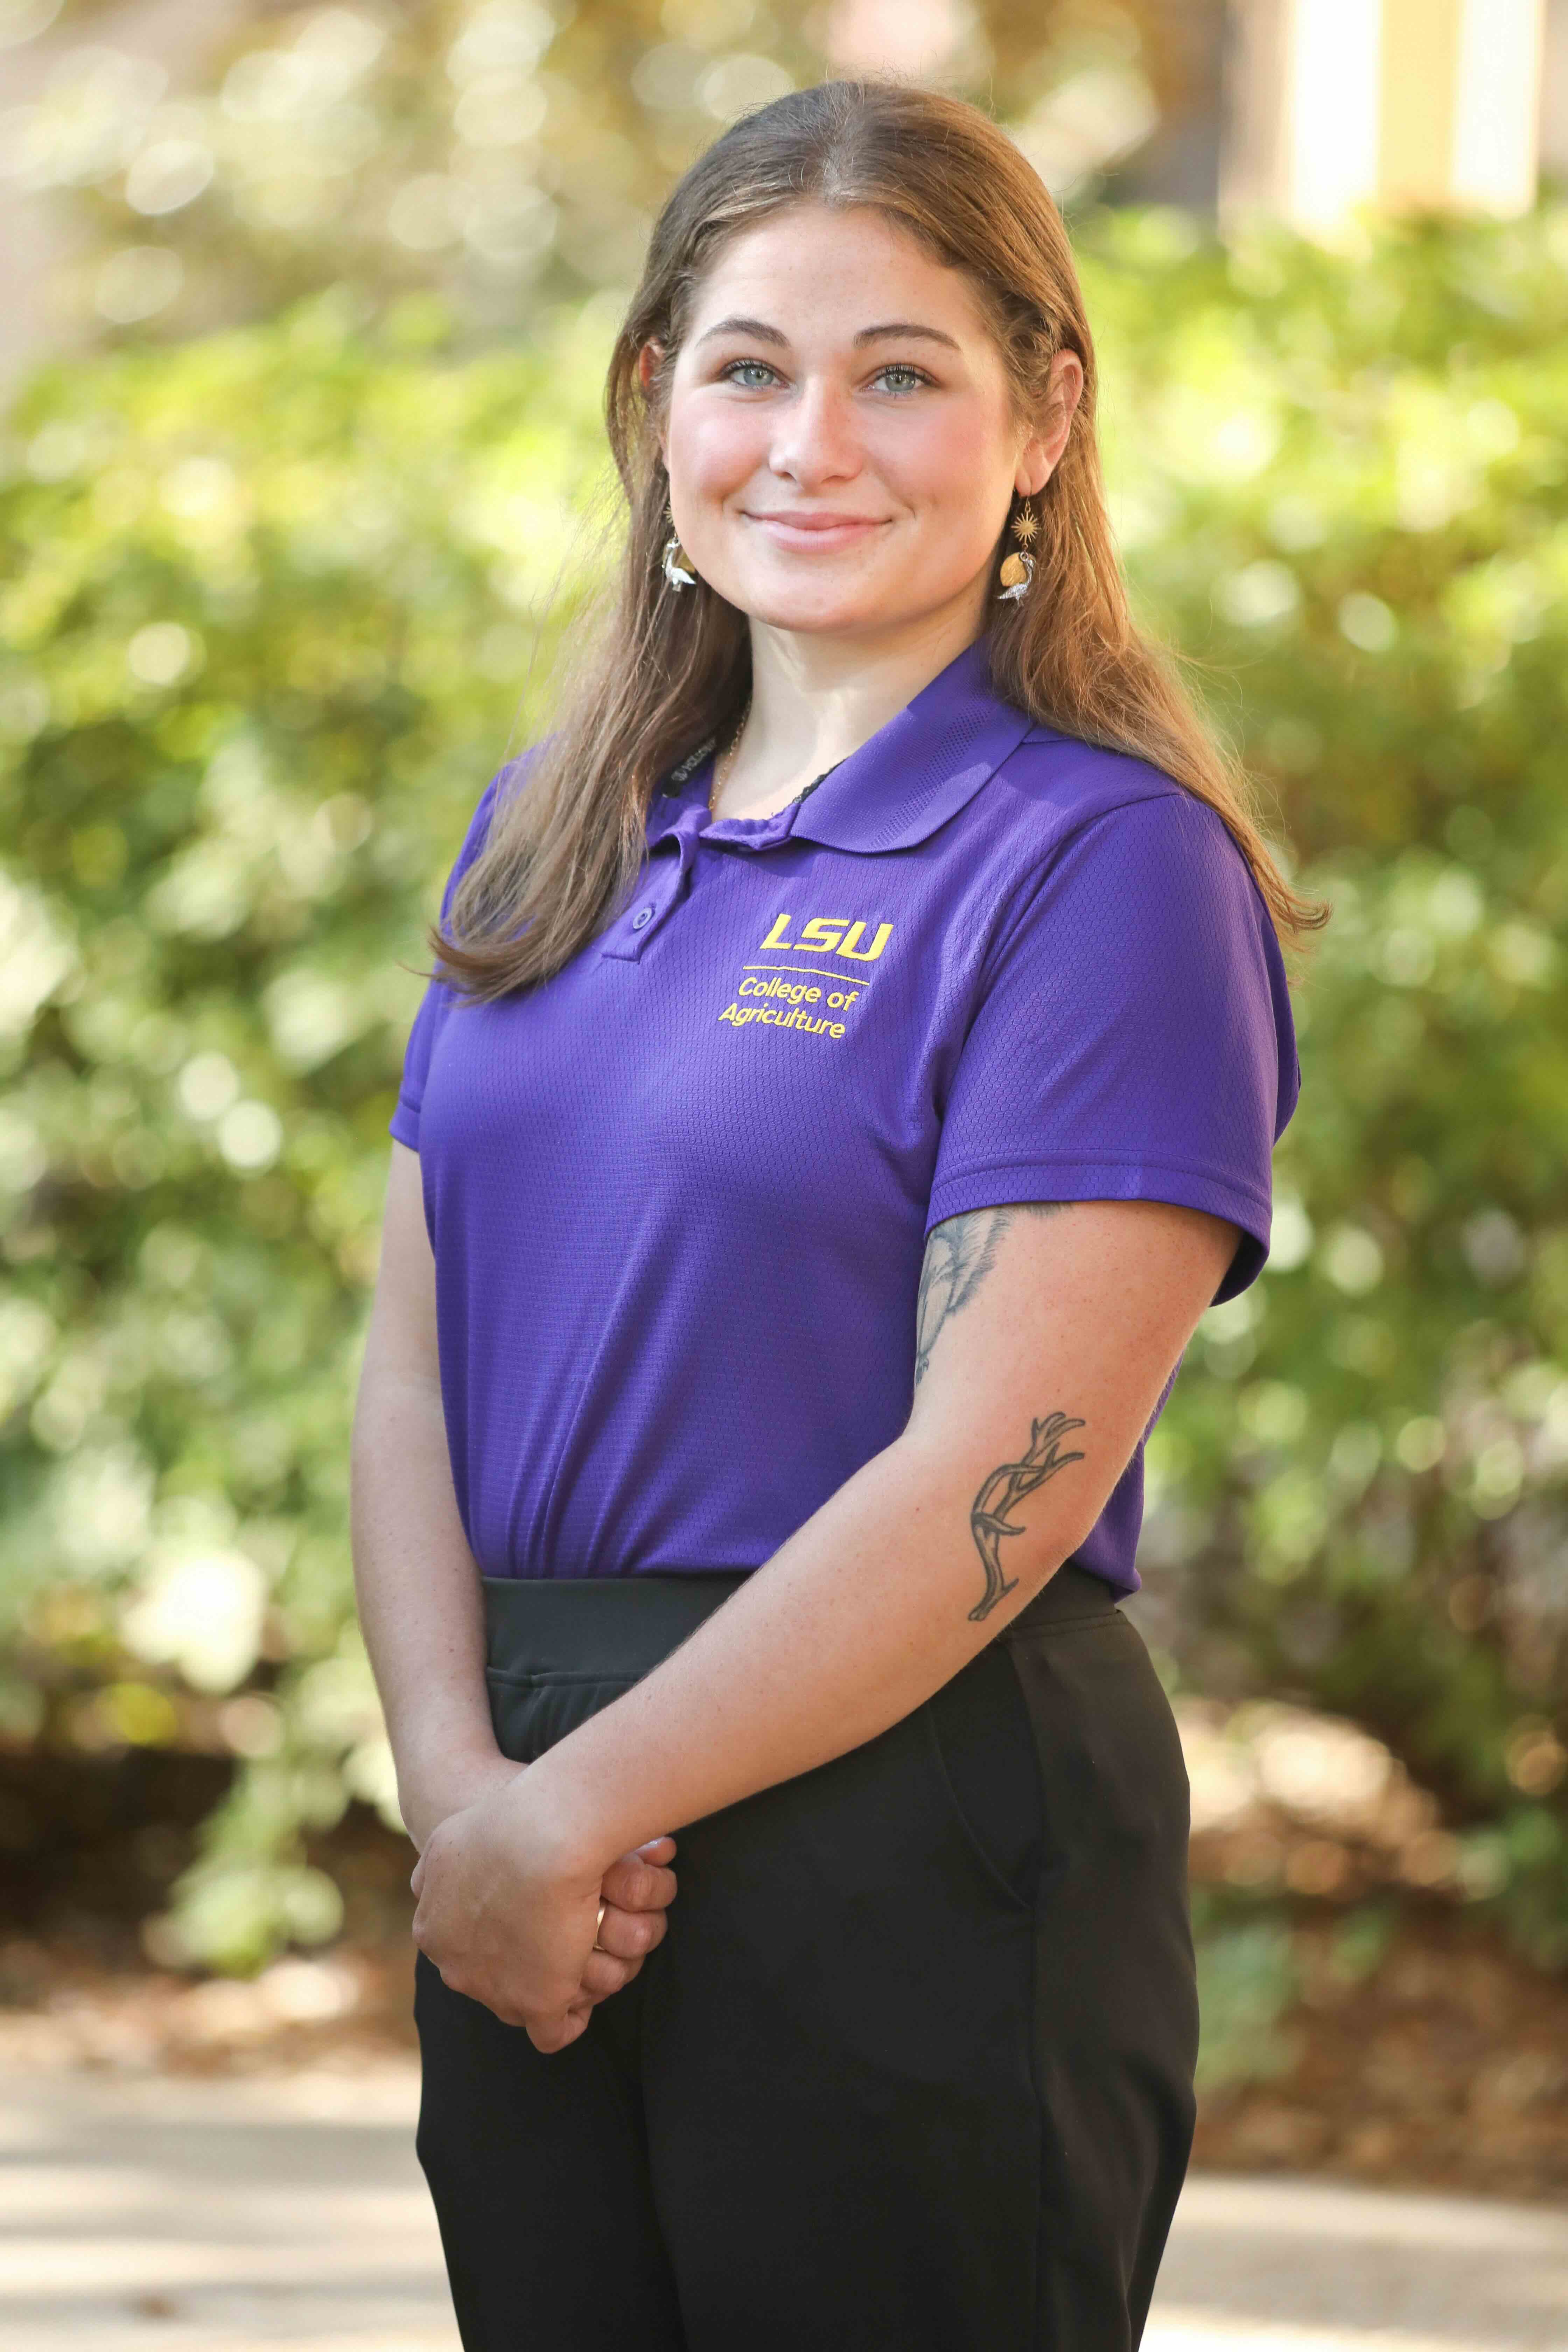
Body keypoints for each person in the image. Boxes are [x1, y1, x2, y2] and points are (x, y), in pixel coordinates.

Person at [351, 77, 1317, 2352]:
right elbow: (412, 1359)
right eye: (750, 366)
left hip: (913, 1819)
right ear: (656, 403)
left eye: (905, 373)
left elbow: (997, 1472)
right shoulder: (551, 829)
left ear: (1044, 417)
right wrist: (464, 1798)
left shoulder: (1100, 867)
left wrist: (568, 1810)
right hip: (535, 1830)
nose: (814, 440)